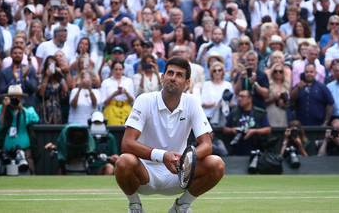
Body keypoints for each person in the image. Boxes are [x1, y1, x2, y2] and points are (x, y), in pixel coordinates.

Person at [114, 57, 225, 213]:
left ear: (187, 83)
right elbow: (127, 143)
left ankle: (182, 206)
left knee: (217, 164)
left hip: (179, 173)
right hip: (145, 174)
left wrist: (185, 159)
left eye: (179, 75)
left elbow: (207, 145)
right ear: (162, 77)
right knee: (124, 161)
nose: (173, 78)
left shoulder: (192, 102)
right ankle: (135, 206)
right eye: (170, 73)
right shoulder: (144, 100)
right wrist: (163, 155)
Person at [0, 84, 39, 174]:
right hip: (7, 147)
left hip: (24, 147)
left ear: (21, 98)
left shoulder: (27, 109)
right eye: (12, 97)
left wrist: (22, 109)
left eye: (17, 97)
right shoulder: (2, 108)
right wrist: (4, 108)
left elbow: (35, 119)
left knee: (28, 170)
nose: (15, 99)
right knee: (6, 172)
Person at [223, 89, 271, 155]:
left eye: (242, 96)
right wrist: (232, 130)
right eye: (238, 96)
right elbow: (225, 129)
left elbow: (268, 129)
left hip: (256, 148)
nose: (239, 99)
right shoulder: (234, 112)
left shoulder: (259, 112)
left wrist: (254, 131)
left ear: (250, 99)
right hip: (237, 149)